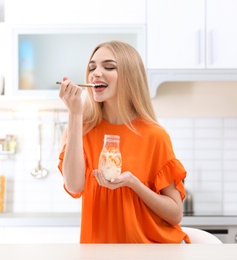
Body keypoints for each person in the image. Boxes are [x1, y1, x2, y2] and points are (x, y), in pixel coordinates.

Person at [58, 40, 190, 243]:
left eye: (109, 67)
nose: (96, 73)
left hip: (150, 252)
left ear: (130, 77)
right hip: (99, 252)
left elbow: (175, 214)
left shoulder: (154, 136)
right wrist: (75, 113)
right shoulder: (80, 129)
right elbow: (74, 186)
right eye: (92, 67)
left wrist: (134, 184)